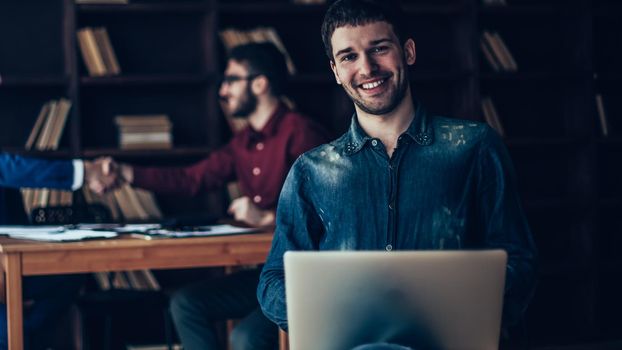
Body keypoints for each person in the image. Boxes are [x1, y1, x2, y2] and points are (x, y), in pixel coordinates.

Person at [257, 0, 537, 348]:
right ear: (335, 70)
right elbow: (272, 282)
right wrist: (328, 313)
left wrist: (465, 305)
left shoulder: (474, 147)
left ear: (408, 51)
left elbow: (520, 260)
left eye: (379, 49)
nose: (367, 68)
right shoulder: (310, 171)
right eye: (349, 56)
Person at [96, 42, 328, 350]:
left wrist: (269, 218)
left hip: (305, 280)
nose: (223, 91)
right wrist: (126, 173)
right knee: (186, 304)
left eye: (231, 80)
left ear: (260, 83)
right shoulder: (242, 142)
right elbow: (191, 179)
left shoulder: (302, 133)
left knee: (245, 337)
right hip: (265, 273)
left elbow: (329, 214)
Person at [0, 153, 108, 349]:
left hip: (13, 265)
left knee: (71, 271)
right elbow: (8, 169)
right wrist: (87, 172)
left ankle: (27, 329)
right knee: (11, 333)